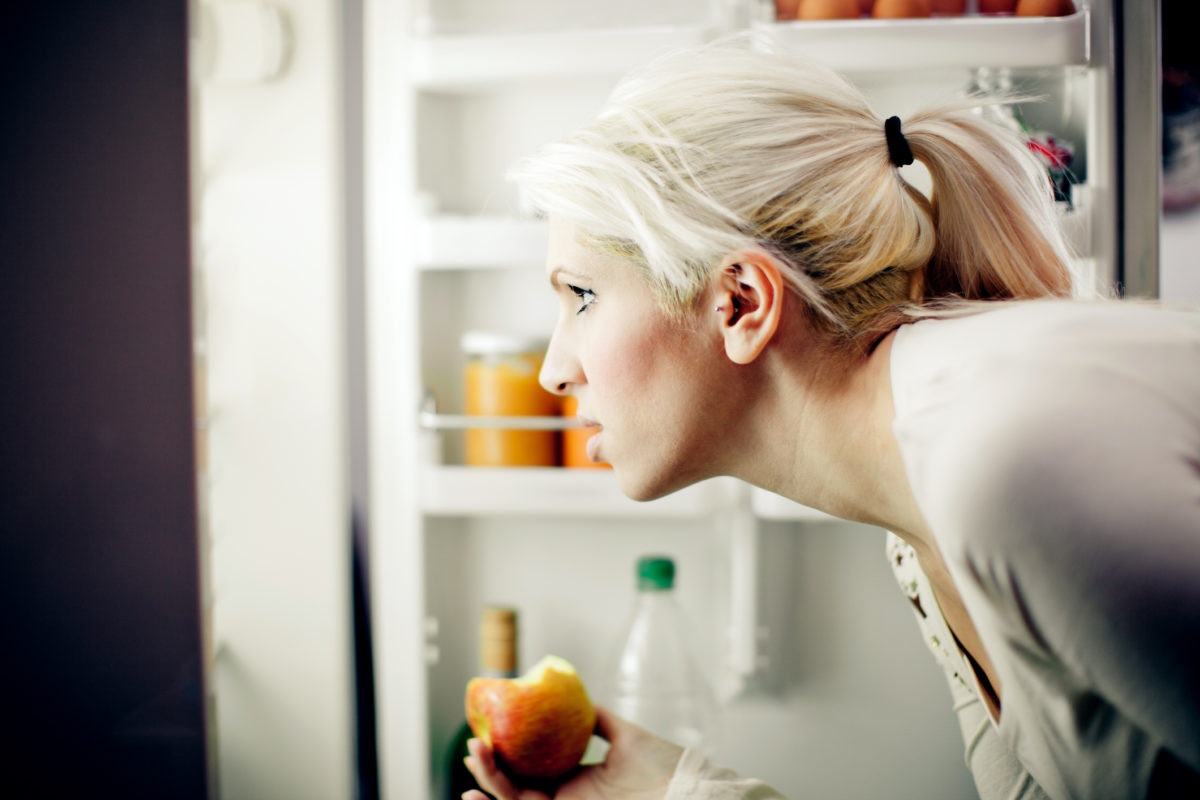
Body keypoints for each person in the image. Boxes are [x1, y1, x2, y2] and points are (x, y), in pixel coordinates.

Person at [462, 34, 1200, 800]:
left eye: (581, 296)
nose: (553, 371)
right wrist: (673, 790)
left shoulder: (1008, 463)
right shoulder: (919, 516)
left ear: (741, 303)